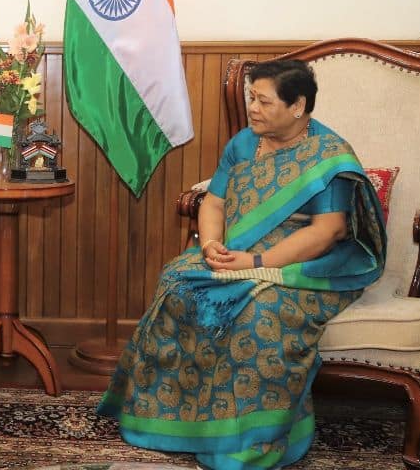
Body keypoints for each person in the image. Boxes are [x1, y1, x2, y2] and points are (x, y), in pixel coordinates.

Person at [97, 60, 386, 470]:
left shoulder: (327, 155)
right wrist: (212, 244)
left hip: (301, 267)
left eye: (263, 101)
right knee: (177, 285)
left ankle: (250, 441)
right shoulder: (244, 145)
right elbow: (214, 202)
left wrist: (255, 263)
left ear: (298, 105)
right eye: (252, 97)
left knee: (255, 315)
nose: (252, 107)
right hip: (235, 254)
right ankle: (177, 425)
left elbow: (328, 231)